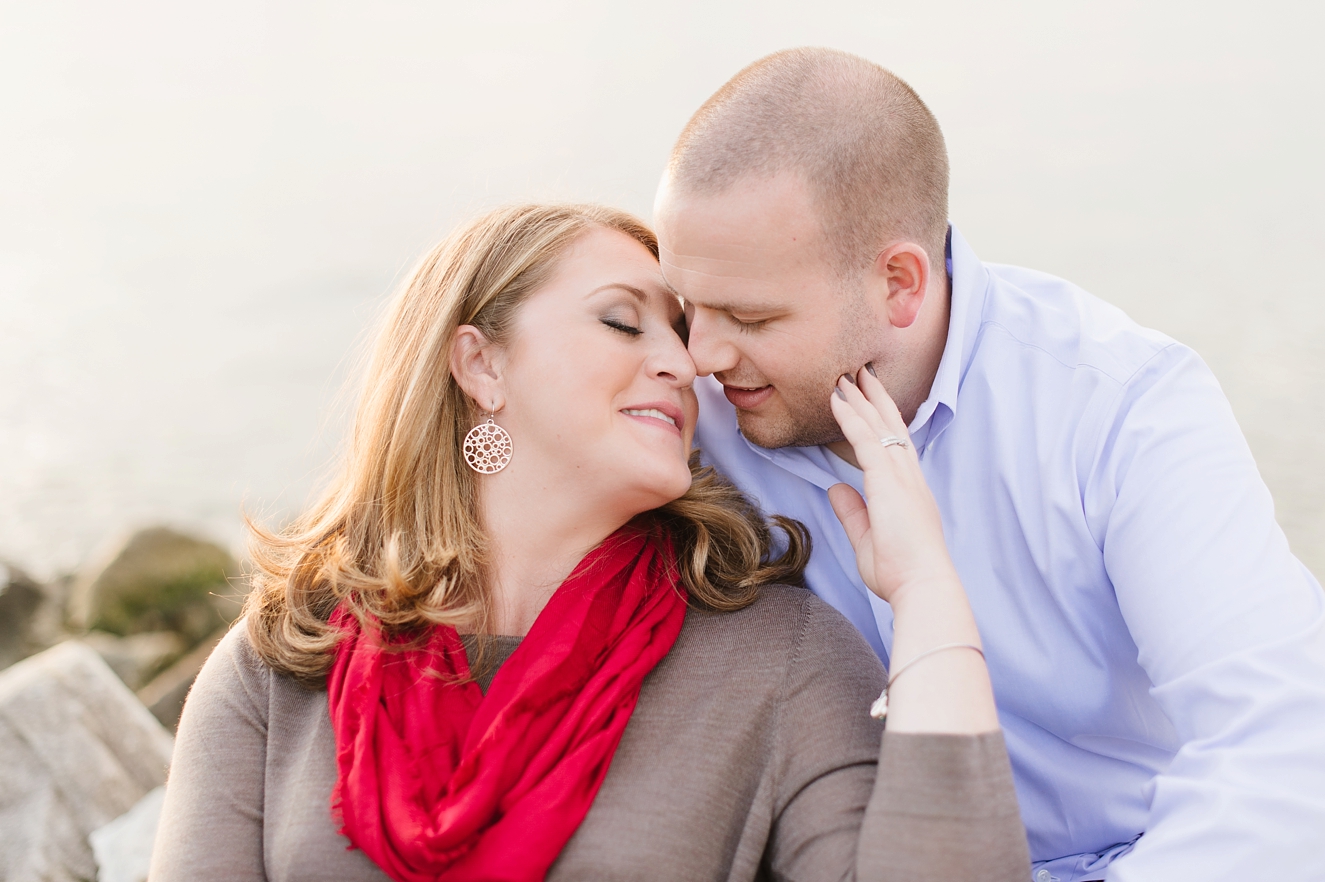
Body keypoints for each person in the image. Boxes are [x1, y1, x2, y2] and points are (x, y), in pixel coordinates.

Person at [148, 203, 1030, 881]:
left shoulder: (780, 661)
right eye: (622, 321)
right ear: (480, 365)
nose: (685, 365)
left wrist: (923, 593)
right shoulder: (282, 664)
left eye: (678, 335)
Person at [654, 47, 1325, 882]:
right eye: (685, 305)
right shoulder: (683, 413)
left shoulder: (1121, 407)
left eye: (748, 316)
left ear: (899, 283)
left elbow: (1284, 748)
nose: (701, 353)